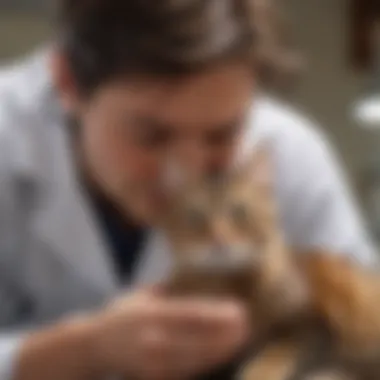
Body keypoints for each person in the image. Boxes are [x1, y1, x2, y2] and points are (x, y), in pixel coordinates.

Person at [0, 0, 376, 379]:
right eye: (152, 136)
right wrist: (83, 349)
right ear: (67, 82)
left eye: (221, 135)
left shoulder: (285, 151)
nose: (188, 172)